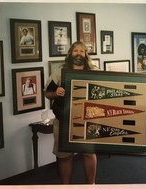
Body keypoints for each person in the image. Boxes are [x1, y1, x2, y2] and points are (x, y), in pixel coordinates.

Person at [44, 41, 98, 184]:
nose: (78, 53)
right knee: (65, 156)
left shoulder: (93, 72)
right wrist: (56, 93)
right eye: (75, 50)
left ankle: (91, 185)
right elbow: (47, 93)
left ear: (86, 54)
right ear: (70, 53)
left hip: (87, 121)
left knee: (89, 153)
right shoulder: (59, 71)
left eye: (82, 51)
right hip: (63, 122)